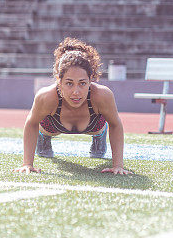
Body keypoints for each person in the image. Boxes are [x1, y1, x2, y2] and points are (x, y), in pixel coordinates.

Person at [13, 37, 132, 175]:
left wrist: (118, 165)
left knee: (100, 130)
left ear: (90, 79)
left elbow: (115, 124)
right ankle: (44, 138)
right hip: (53, 126)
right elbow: (31, 123)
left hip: (93, 126)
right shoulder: (46, 97)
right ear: (59, 81)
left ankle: (99, 137)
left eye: (82, 83)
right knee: (43, 129)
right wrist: (27, 163)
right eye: (69, 83)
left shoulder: (102, 95)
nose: (76, 92)